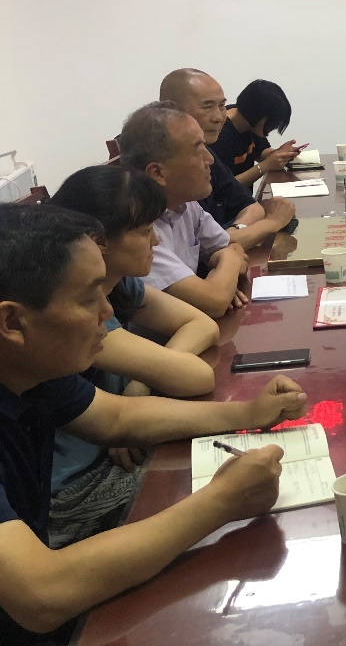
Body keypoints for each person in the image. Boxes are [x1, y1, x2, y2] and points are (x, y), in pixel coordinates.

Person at [0, 203, 306, 644]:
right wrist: (223, 500)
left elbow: (117, 416)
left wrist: (247, 414)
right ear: (12, 322)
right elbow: (41, 594)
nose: (107, 311)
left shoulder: (29, 367)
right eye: (89, 297)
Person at [48, 165, 221, 548]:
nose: (156, 240)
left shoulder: (120, 284)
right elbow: (196, 376)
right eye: (144, 231)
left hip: (117, 450)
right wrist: (154, 373)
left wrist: (140, 381)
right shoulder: (79, 316)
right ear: (98, 241)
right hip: (76, 488)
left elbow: (202, 324)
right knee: (214, 484)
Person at [117, 102, 249, 318]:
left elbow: (233, 248)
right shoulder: (137, 232)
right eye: (198, 150)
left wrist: (223, 279)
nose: (210, 159)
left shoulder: (185, 204)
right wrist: (225, 274)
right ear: (158, 173)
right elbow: (215, 302)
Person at [160, 69, 295, 250]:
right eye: (207, 106)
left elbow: (249, 207)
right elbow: (214, 246)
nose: (218, 117)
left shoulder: (208, 150)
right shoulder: (169, 171)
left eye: (222, 105)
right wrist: (272, 222)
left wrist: (235, 233)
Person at [210, 79, 301, 187]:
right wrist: (265, 166)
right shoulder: (220, 134)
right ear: (258, 114)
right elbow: (224, 187)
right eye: (273, 121)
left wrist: (280, 154)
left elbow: (261, 152)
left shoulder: (249, 122)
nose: (274, 127)